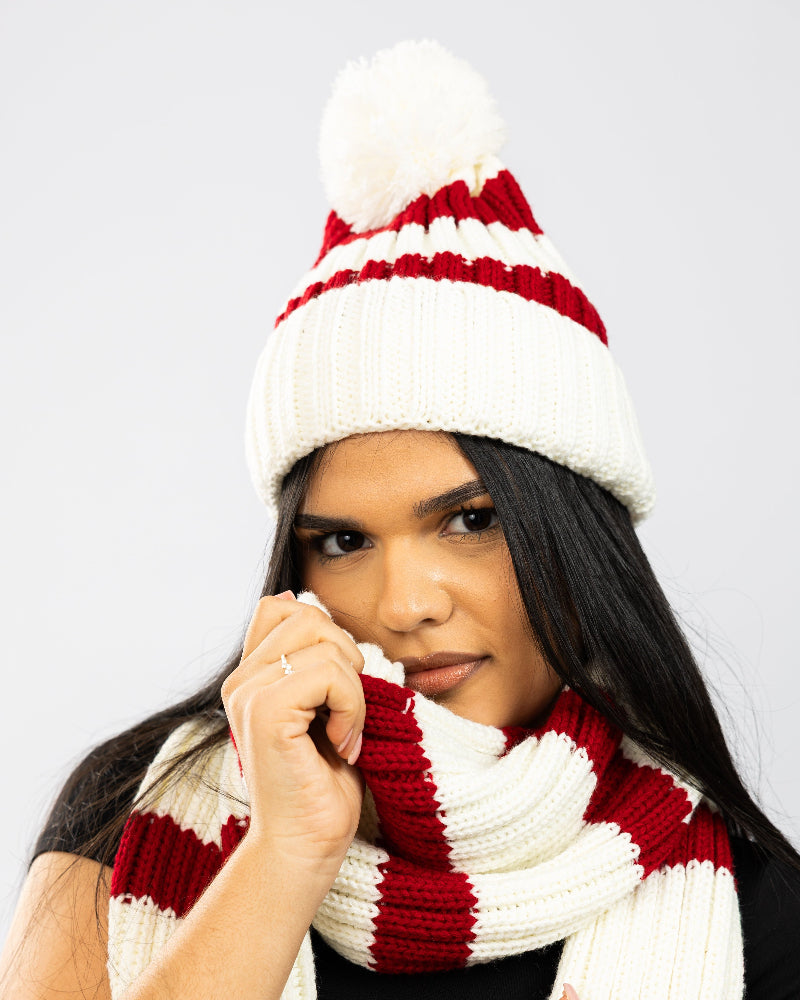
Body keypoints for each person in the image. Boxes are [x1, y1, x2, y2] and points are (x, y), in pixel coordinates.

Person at [1, 38, 799, 1000]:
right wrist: (286, 850)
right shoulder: (124, 813)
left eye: (469, 520)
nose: (404, 604)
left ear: (579, 541)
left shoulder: (757, 905)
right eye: (343, 541)